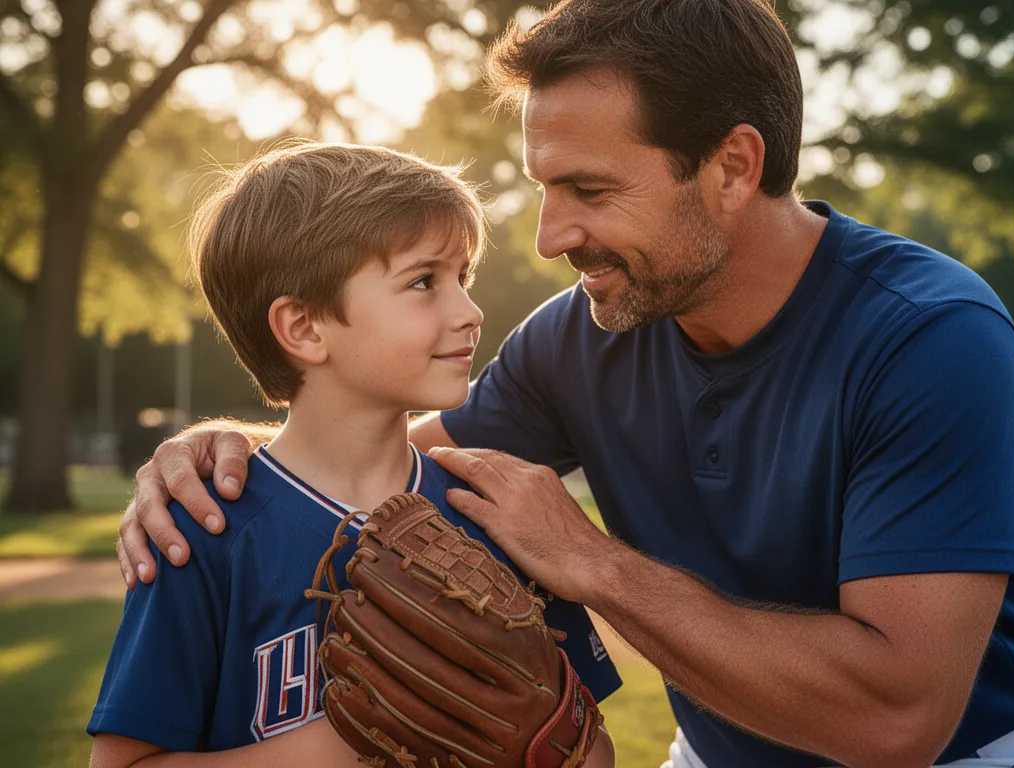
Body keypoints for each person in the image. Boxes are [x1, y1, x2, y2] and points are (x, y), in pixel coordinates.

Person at [116, 1, 1014, 766]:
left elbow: (899, 717)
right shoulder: (581, 335)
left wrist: (592, 563)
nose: (551, 237)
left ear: (732, 168)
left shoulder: (930, 337)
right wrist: (221, 454)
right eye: (545, 188)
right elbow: (386, 462)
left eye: (590, 189)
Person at [88, 142, 620, 767]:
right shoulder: (204, 528)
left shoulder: (494, 510)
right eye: (424, 281)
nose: (470, 311)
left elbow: (594, 752)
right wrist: (363, 734)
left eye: (462, 277)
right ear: (305, 328)